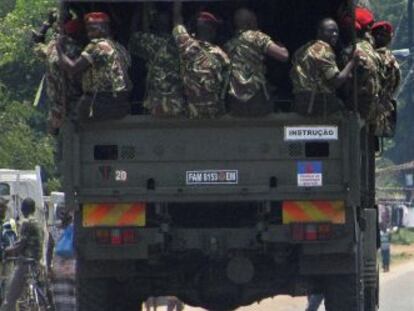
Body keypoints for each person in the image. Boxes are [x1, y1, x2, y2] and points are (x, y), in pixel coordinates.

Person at [57, 12, 132, 122]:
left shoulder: (96, 45)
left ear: (105, 28)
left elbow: (72, 68)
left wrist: (59, 49)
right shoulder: (119, 47)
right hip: (122, 104)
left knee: (71, 114)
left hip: (101, 103)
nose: (89, 34)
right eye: (88, 30)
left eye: (93, 29)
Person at [225, 8, 289, 116]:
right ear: (251, 22)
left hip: (235, 98)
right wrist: (282, 47)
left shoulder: (229, 44)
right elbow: (283, 56)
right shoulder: (257, 37)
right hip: (256, 96)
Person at [173, 0, 230, 119]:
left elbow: (177, 20)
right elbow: (226, 85)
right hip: (214, 113)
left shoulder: (186, 45)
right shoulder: (221, 55)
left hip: (191, 112)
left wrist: (177, 3)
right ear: (213, 31)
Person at [290, 18, 358, 116]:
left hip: (300, 100)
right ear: (319, 32)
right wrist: (352, 62)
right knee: (347, 113)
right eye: (330, 31)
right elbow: (336, 81)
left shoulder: (304, 48)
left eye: (336, 31)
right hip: (318, 102)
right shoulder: (324, 49)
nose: (335, 34)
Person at [33, 11, 85, 135]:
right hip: (74, 103)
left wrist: (46, 25)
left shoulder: (53, 48)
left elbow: (37, 45)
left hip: (57, 104)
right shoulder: (79, 51)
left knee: (62, 140)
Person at [129, 9, 184, 116]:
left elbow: (133, 37)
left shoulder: (150, 41)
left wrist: (137, 14)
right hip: (176, 98)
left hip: (155, 98)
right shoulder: (180, 43)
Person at [0, 198, 42, 311]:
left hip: (25, 262)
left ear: (23, 209)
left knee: (10, 297)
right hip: (37, 262)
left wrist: (7, 250)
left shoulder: (26, 222)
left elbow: (21, 244)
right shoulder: (39, 223)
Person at [341, 7, 382, 122]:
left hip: (358, 107)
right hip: (372, 107)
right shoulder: (371, 49)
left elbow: (347, 81)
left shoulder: (352, 51)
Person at [372, 21, 400, 136]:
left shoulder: (370, 58)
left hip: (371, 112)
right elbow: (395, 87)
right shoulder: (393, 62)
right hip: (383, 115)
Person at [46, 204, 76, 311]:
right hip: (73, 268)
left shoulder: (53, 230)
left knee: (60, 301)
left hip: (58, 270)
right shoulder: (76, 229)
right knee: (74, 299)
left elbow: (49, 251)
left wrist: (49, 267)